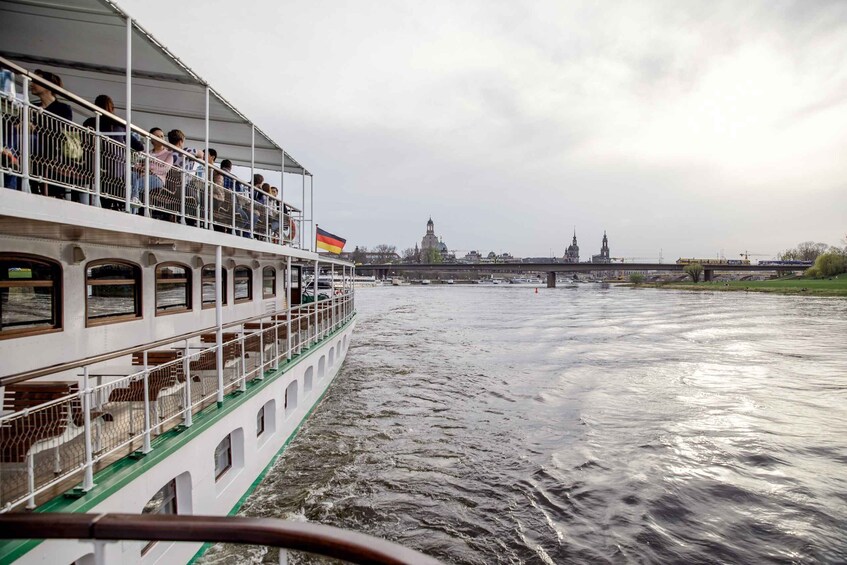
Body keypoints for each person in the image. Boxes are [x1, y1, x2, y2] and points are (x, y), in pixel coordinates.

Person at [29, 69, 73, 198]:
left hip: (51, 148)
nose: (31, 84)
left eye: (36, 81)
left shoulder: (63, 109)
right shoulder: (31, 106)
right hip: (30, 146)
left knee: (27, 139)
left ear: (48, 86)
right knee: (20, 138)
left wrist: (36, 128)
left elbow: (61, 132)